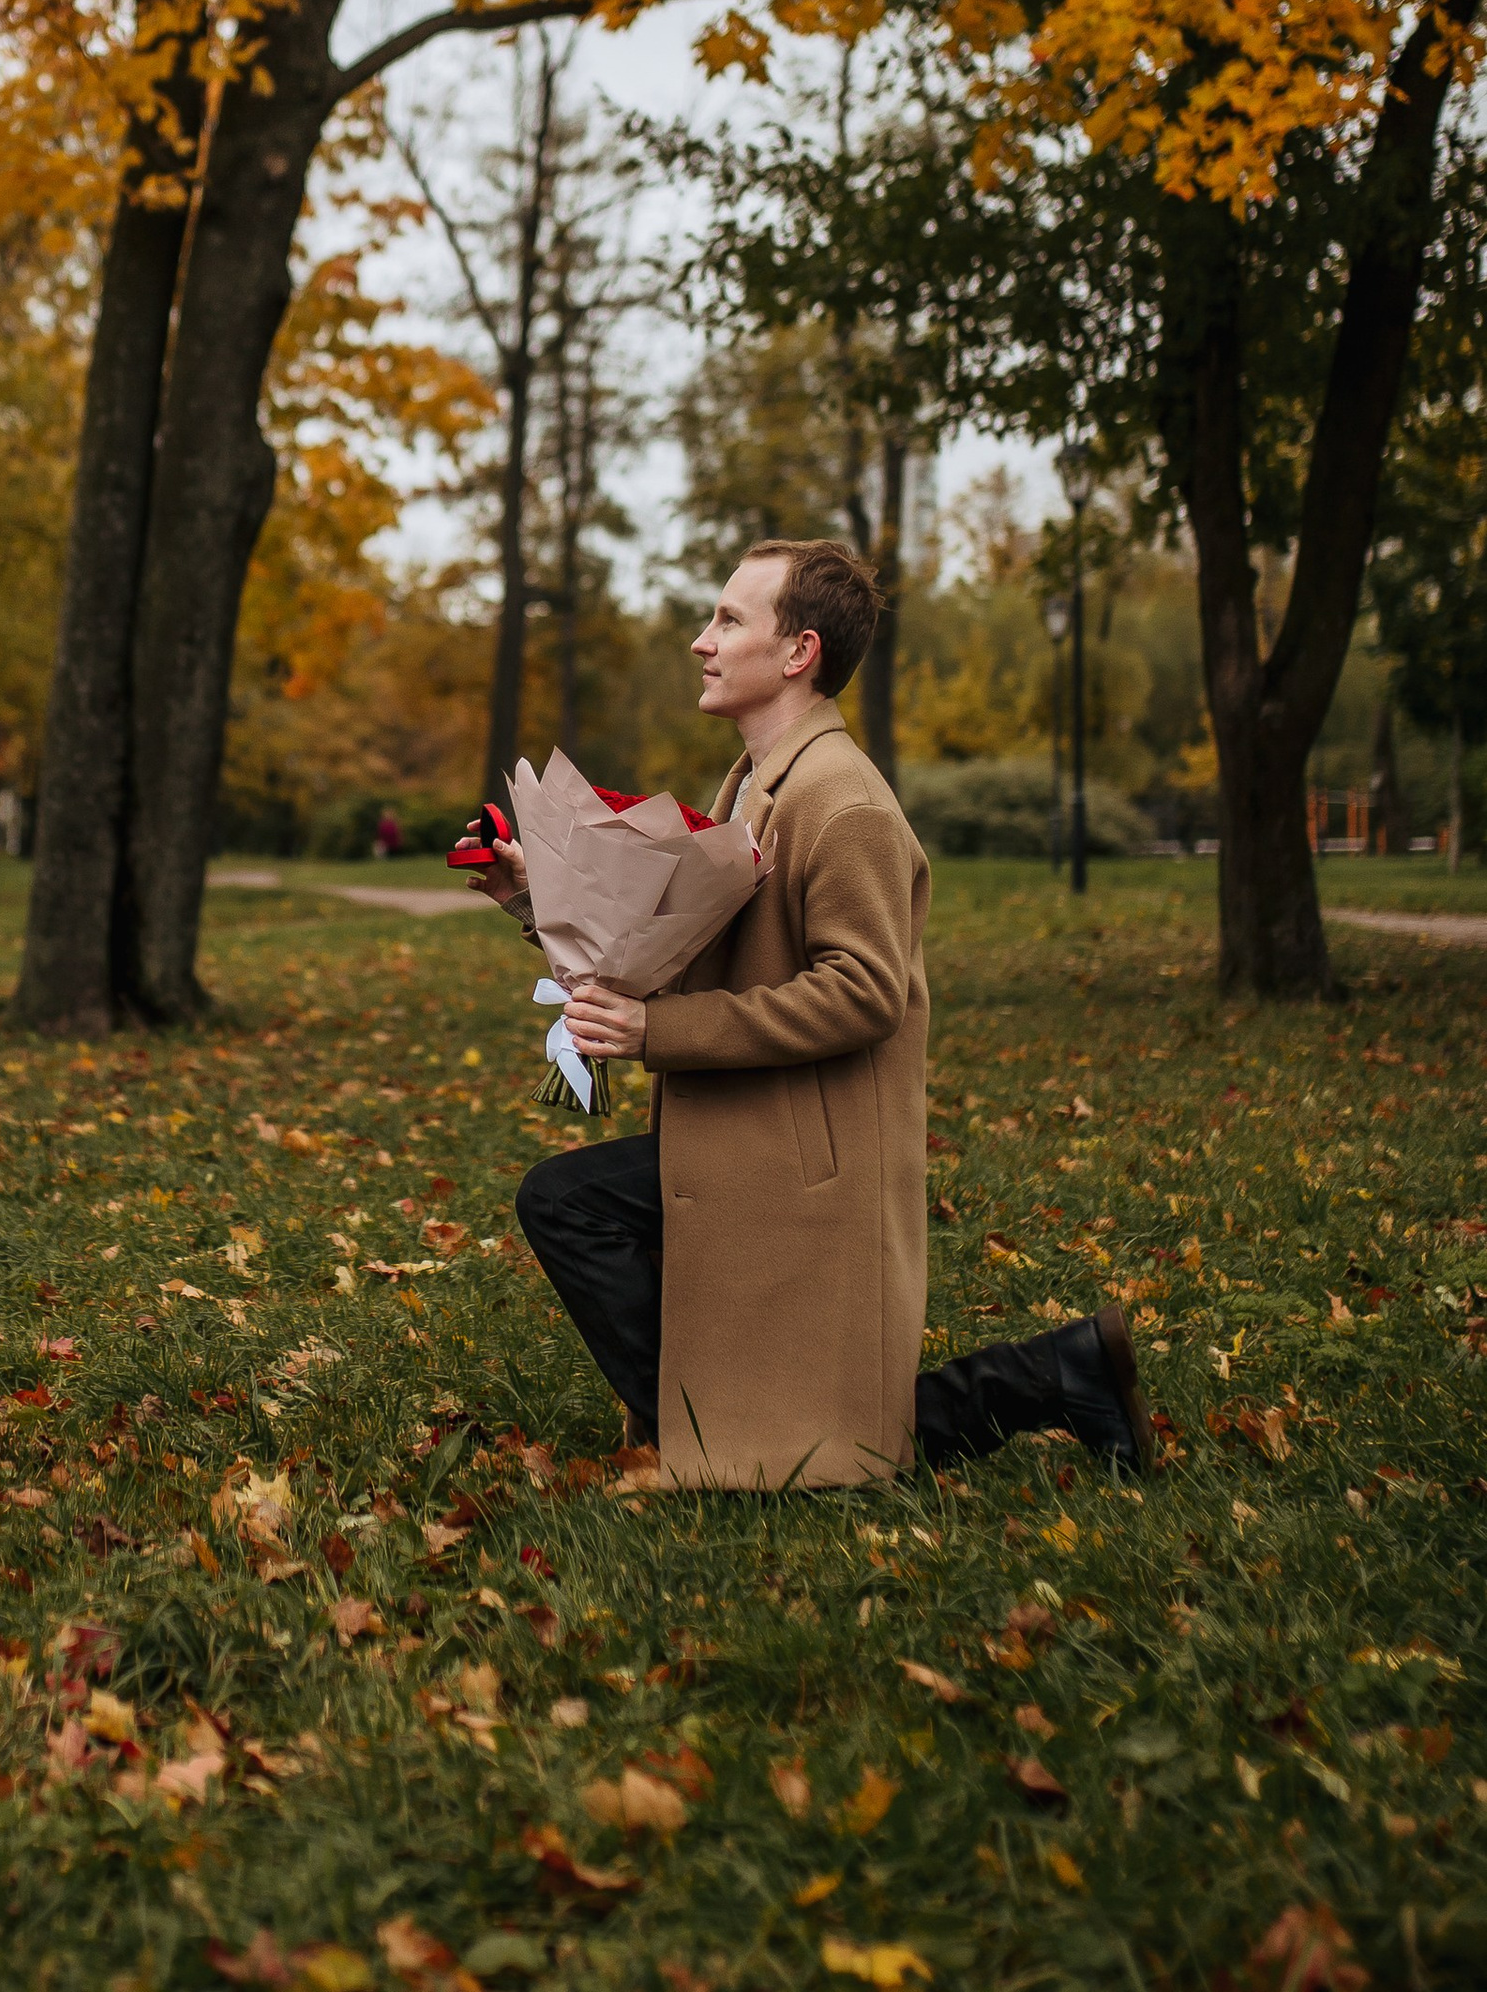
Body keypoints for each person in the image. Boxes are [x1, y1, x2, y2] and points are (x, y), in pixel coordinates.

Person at [470, 537, 1151, 1489]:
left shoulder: (843, 801)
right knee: (586, 1214)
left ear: (799, 652)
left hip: (808, 1152)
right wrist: (534, 900)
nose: (702, 641)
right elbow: (683, 949)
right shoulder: (755, 783)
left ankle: (707, 1426)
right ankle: (1052, 1373)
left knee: (568, 1203)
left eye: (728, 620)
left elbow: (866, 991)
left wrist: (656, 1034)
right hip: (759, 1124)